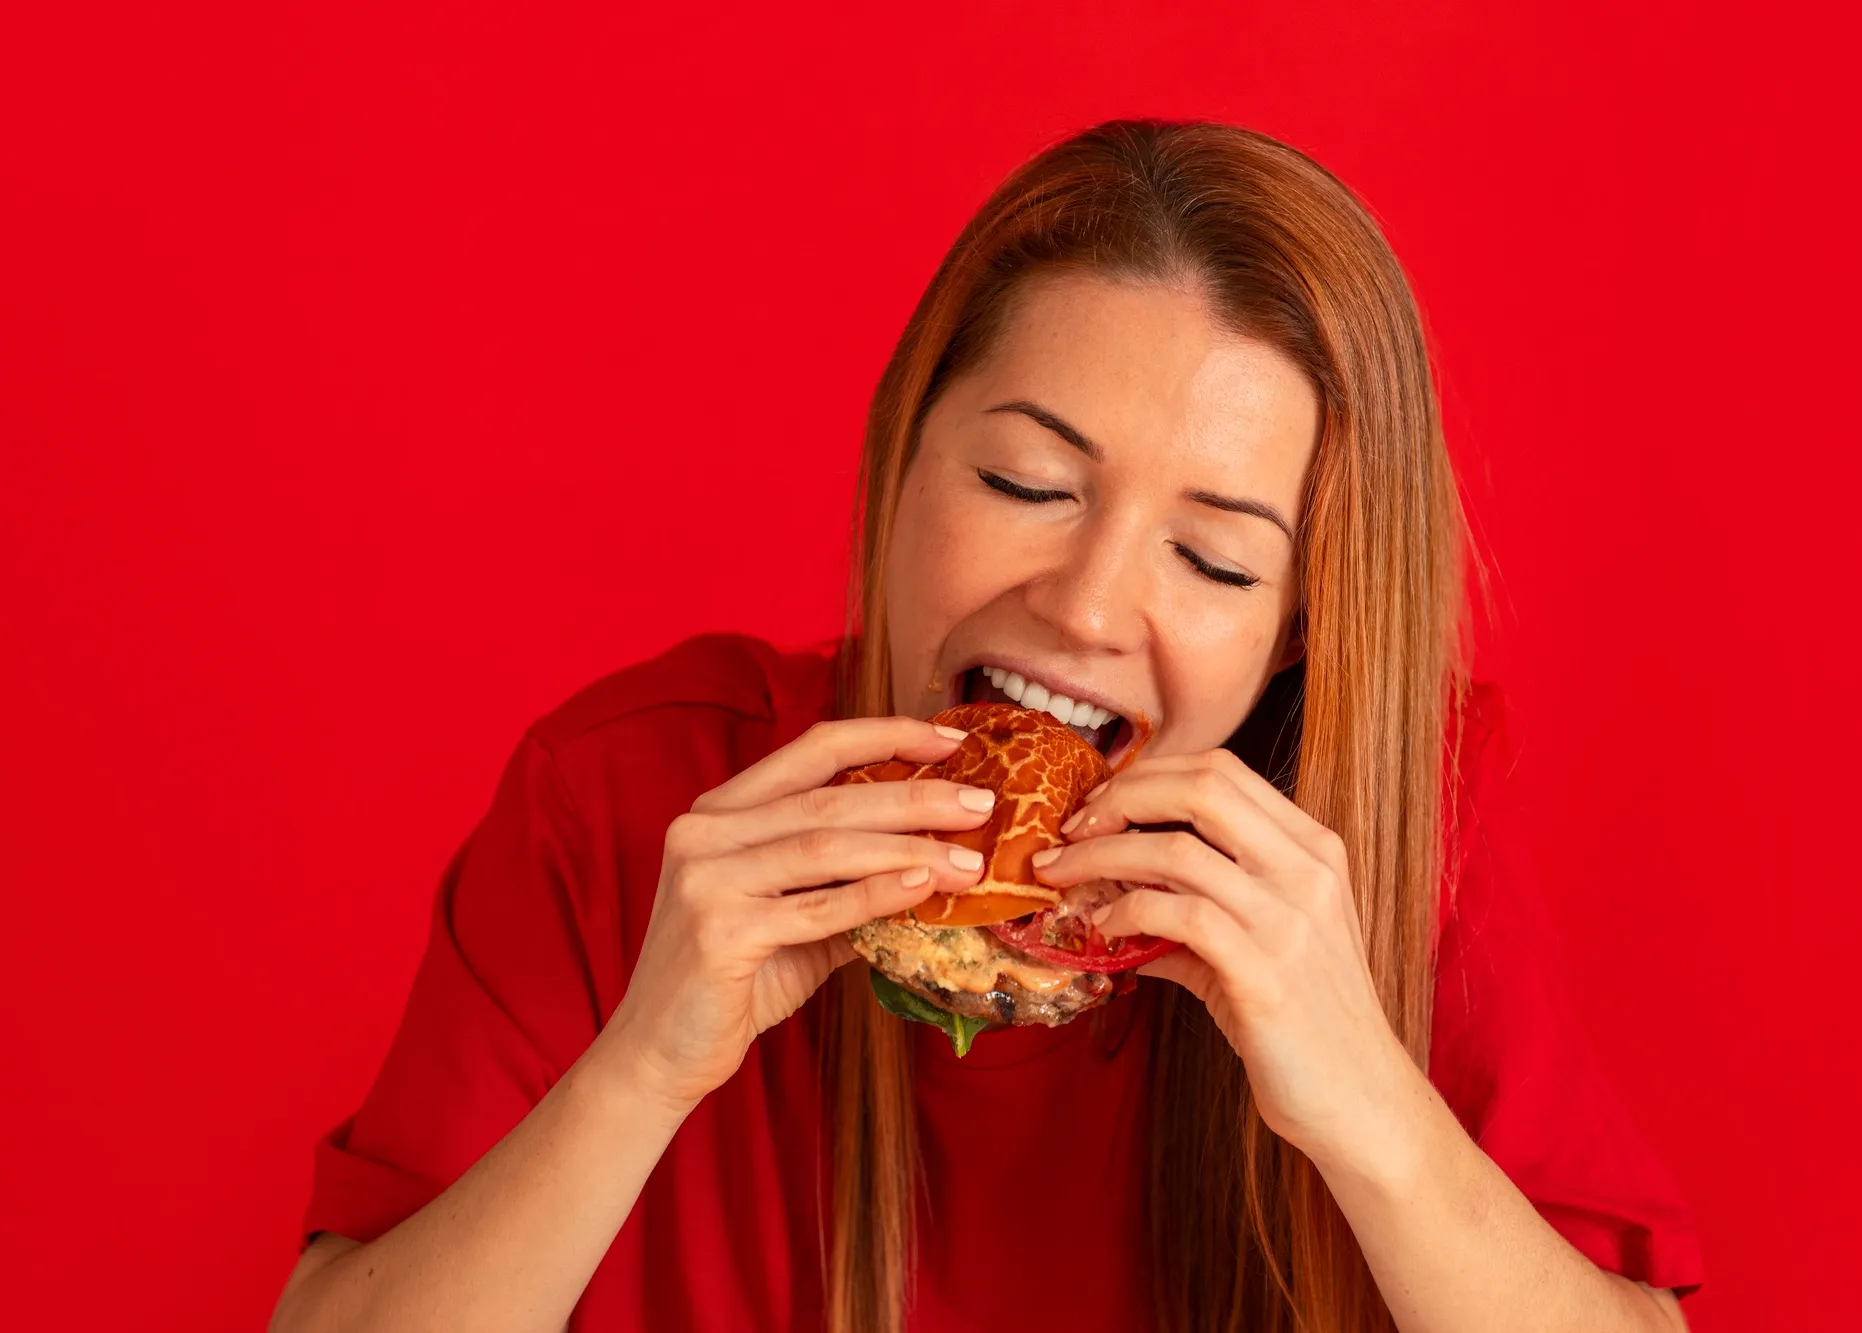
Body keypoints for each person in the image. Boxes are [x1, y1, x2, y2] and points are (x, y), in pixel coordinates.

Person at [269, 120, 1702, 1333]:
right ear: (904, 449)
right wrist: (645, 1065)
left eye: (1213, 561)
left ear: (1297, 632)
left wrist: (1369, 1109)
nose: (1085, 607)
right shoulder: (627, 793)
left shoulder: (1382, 844)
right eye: (1027, 481)